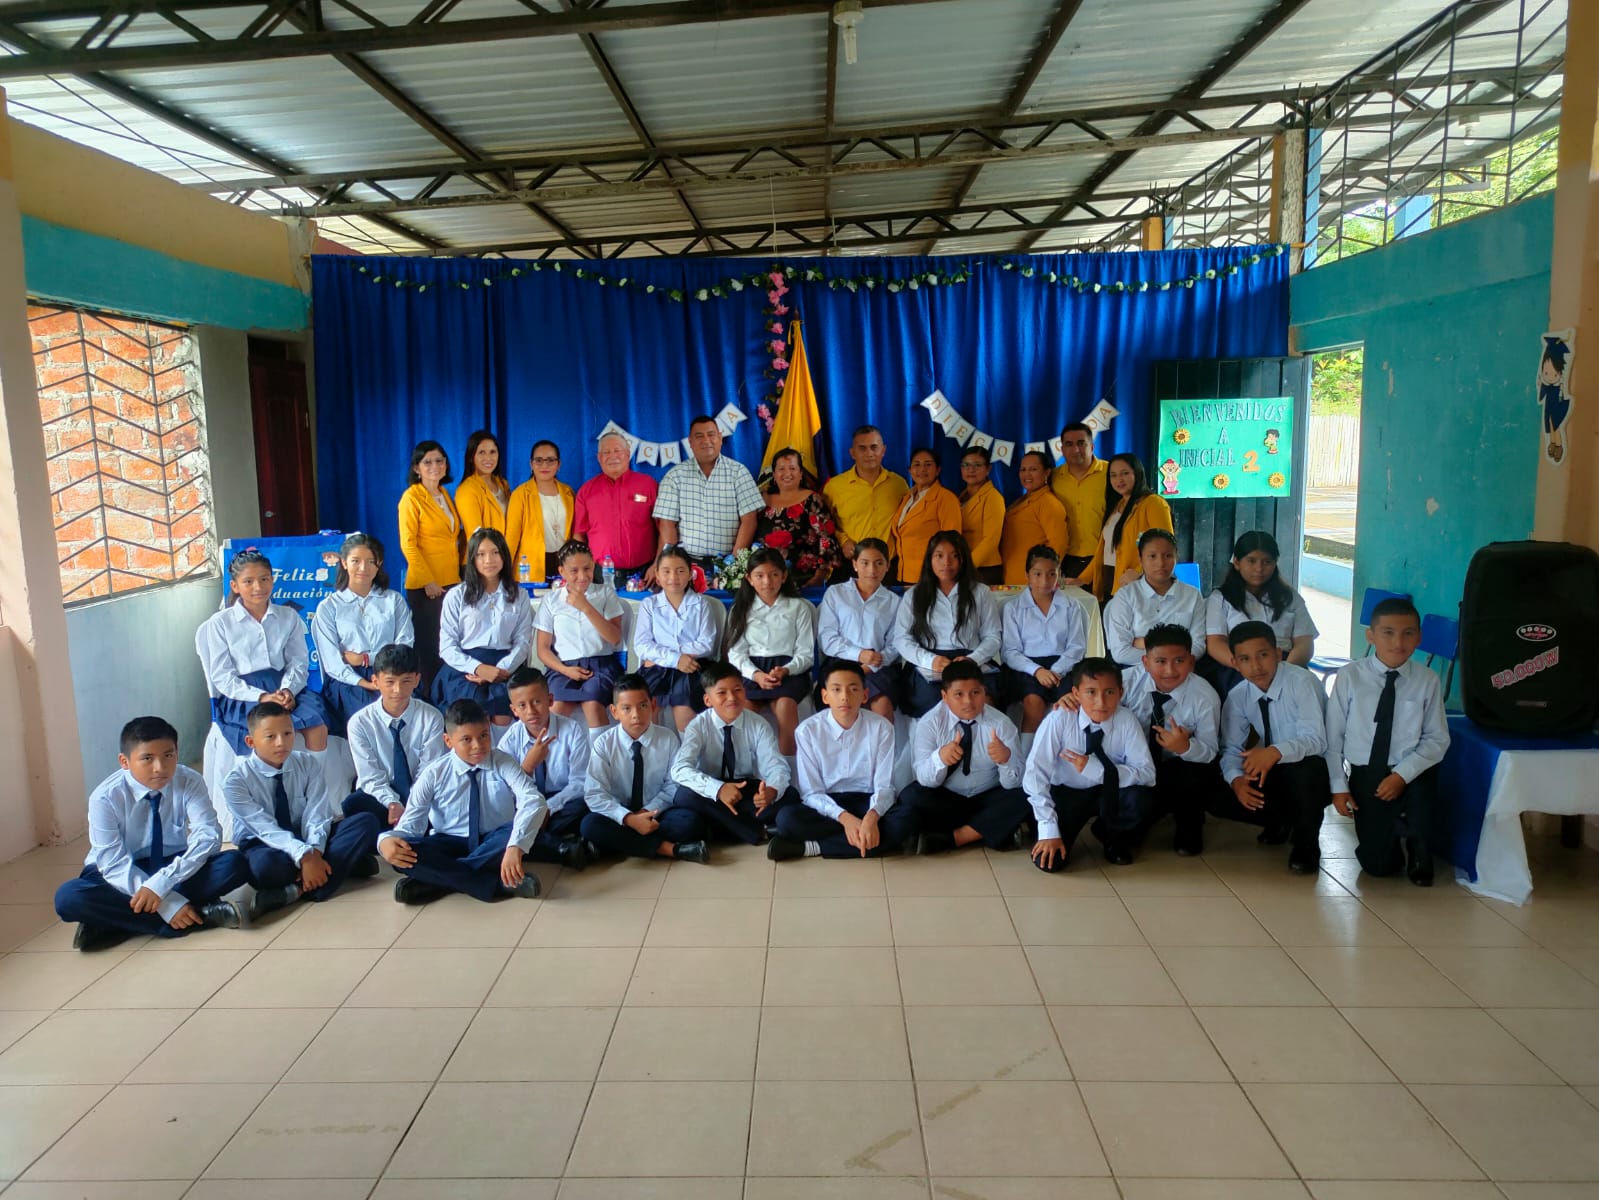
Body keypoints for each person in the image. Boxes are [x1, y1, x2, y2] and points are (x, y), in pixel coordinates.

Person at [54, 716, 249, 950]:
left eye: (168, 755)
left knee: (235, 863)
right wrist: (168, 903)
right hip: (118, 872)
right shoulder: (104, 798)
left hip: (172, 865)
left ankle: (112, 921)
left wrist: (161, 883)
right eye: (147, 758)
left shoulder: (189, 780)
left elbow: (208, 836)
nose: (160, 767)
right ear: (124, 762)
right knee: (69, 898)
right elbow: (113, 864)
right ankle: (199, 916)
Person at [1325, 598, 1449, 886]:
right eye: (1388, 632)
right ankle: (1392, 834)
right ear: (1371, 636)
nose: (1398, 642)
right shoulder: (1350, 676)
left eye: (1408, 633)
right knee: (1378, 866)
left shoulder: (1427, 679)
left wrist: (1401, 776)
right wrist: (1339, 787)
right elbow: (1333, 736)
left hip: (1411, 770)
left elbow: (1437, 738)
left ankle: (1419, 848)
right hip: (1367, 772)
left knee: (1423, 794)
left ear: (1419, 637)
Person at [377, 698, 548, 904]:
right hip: (449, 841)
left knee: (516, 831)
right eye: (467, 739)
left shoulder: (503, 762)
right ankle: (497, 885)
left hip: (492, 841)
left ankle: (435, 881)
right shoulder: (434, 773)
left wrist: (515, 846)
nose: (478, 746)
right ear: (448, 741)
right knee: (402, 852)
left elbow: (533, 800)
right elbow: (410, 825)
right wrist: (385, 841)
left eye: (484, 735)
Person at [221, 701, 382, 919]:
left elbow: (317, 813)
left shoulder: (307, 763)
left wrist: (314, 851)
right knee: (263, 868)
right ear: (251, 742)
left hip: (304, 833)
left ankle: (296, 890)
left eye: (287, 733)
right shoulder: (236, 781)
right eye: (270, 737)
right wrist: (304, 857)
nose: (281, 742)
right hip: (264, 843)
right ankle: (340, 867)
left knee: (366, 822)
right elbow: (264, 828)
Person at [768, 660, 918, 860]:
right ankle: (869, 841)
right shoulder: (807, 731)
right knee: (787, 819)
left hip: (867, 801)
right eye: (836, 690)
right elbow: (811, 792)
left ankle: (811, 847)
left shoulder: (882, 728)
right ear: (825, 696)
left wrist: (871, 818)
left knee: (907, 818)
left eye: (853, 689)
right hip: (828, 803)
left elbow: (884, 786)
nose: (845, 697)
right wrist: (846, 819)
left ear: (864, 695)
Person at [1218, 620, 1331, 875]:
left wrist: (1274, 752)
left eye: (1263, 655)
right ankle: (1279, 820)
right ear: (1234, 663)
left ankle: (1306, 844)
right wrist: (1237, 781)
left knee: (1306, 771)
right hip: (1272, 769)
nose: (1256, 666)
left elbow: (1317, 740)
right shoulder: (1238, 695)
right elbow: (1231, 748)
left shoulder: (1302, 682)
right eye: (1245, 659)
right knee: (1218, 788)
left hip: (1310, 768)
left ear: (1278, 654)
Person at [196, 549, 330, 761]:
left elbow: (298, 662)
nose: (258, 587)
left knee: (316, 727)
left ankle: (313, 781)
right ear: (235, 586)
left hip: (284, 688)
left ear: (272, 580)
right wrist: (261, 698)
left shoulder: (288, 616)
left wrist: (288, 690)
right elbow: (222, 676)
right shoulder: (220, 623)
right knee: (268, 730)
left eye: (264, 579)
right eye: (248, 582)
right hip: (243, 695)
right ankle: (269, 780)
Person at [1023, 657, 1155, 871]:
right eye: (1091, 692)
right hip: (1067, 792)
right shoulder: (1059, 719)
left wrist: (1099, 771)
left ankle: (1111, 836)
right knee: (1050, 863)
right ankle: (1052, 831)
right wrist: (1049, 828)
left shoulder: (1127, 720)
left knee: (1140, 799)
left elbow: (1147, 773)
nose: (1101, 702)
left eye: (1109, 692)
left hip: (1108, 791)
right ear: (1076, 693)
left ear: (1120, 693)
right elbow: (1035, 773)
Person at [902, 659, 1032, 855]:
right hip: (949, 798)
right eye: (959, 694)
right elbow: (924, 779)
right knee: (911, 796)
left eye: (975, 693)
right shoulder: (930, 723)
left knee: (1027, 793)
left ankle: (956, 837)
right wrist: (940, 759)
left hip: (988, 795)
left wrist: (1006, 759)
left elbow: (1012, 783)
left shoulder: (1001, 723)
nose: (968, 702)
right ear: (945, 696)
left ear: (984, 692)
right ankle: (987, 829)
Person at [580, 674, 709, 863]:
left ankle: (618, 844)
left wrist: (645, 812)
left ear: (653, 705)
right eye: (626, 708)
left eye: (642, 706)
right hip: (619, 813)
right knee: (589, 824)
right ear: (614, 712)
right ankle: (671, 849)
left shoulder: (668, 738)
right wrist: (628, 818)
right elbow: (595, 793)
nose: (636, 715)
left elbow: (673, 785)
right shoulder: (604, 744)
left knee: (690, 822)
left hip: (655, 812)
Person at [1119, 624, 1223, 856]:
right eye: (1160, 661)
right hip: (1135, 763)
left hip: (1178, 767)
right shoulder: (1123, 682)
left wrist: (1185, 747)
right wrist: (1071, 699)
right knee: (1133, 820)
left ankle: (1189, 825)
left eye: (1179, 661)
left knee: (1194, 773)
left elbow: (1210, 751)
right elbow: (1091, 698)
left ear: (1191, 662)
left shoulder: (1205, 697)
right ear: (1145, 662)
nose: (1170, 670)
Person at [671, 661, 800, 845]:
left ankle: (721, 829)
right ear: (708, 700)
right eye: (722, 693)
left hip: (746, 789)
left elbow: (776, 766)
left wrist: (771, 791)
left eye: (737, 690)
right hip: (713, 791)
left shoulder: (758, 724)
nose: (732, 698)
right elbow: (679, 769)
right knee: (684, 795)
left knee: (790, 794)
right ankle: (756, 830)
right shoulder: (698, 726)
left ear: (744, 692)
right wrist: (718, 789)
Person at [311, 532, 415, 737]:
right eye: (355, 561)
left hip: (393, 673)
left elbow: (405, 646)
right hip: (349, 680)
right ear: (344, 563)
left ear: (379, 564)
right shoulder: (329, 607)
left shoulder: (394, 600)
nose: (363, 568)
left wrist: (366, 659)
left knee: (409, 718)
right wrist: (367, 684)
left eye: (370, 562)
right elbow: (333, 664)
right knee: (369, 722)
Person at [893, 530, 1002, 717]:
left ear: (963, 559)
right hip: (929, 663)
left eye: (954, 556)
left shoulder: (981, 593)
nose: (947, 563)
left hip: (970, 660)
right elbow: (902, 639)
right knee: (932, 702)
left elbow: (993, 637)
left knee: (979, 700)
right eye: (939, 556)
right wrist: (931, 661)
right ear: (930, 559)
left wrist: (973, 659)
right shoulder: (914, 595)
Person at [433, 528, 533, 727]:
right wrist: (478, 669)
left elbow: (523, 641)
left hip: (505, 666)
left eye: (495, 552)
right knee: (473, 714)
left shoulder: (519, 595)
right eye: (481, 554)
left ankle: (503, 749)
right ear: (472, 558)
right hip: (465, 668)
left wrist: (501, 670)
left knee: (503, 712)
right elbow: (447, 646)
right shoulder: (457, 595)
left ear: (504, 556)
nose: (489, 560)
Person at [502, 667, 595, 870]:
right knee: (502, 820)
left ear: (550, 700)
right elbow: (504, 792)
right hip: (525, 801)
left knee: (586, 807)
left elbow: (579, 783)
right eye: (522, 705)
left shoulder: (572, 730)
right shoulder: (509, 741)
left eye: (537, 701)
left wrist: (548, 808)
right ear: (514, 710)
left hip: (561, 801)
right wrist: (527, 766)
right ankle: (562, 847)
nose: (531, 711)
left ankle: (533, 842)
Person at [343, 642, 445, 829]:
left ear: (417, 680)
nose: (397, 690)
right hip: (381, 795)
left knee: (445, 802)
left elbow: (428, 771)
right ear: (376, 681)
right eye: (390, 682)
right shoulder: (360, 723)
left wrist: (413, 805)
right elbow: (370, 776)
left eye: (406, 681)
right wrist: (392, 803)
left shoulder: (432, 717)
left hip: (420, 793)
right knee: (355, 806)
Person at [725, 546, 815, 756]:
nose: (767, 582)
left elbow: (806, 653)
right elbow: (736, 653)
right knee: (745, 710)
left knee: (785, 706)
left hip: (788, 670)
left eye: (774, 575)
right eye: (760, 576)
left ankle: (788, 768)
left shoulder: (798, 607)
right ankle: (748, 768)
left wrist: (786, 670)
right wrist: (756, 675)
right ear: (749, 578)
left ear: (784, 576)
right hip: (751, 670)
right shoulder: (741, 609)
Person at [535, 539, 626, 728]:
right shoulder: (551, 600)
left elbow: (615, 638)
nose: (582, 576)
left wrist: (586, 607)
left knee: (593, 703)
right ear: (562, 571)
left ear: (593, 566)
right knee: (556, 709)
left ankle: (600, 748)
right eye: (574, 571)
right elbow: (543, 649)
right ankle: (550, 748)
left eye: (587, 569)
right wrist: (565, 670)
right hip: (562, 667)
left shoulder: (605, 593)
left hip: (600, 665)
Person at [397, 439, 463, 693]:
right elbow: (408, 544)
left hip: (450, 581)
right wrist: (428, 580)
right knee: (431, 649)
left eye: (439, 461)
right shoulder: (411, 498)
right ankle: (430, 699)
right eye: (428, 462)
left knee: (449, 644)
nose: (435, 466)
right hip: (427, 587)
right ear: (417, 468)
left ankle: (448, 696)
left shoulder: (444, 494)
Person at [653, 414, 764, 564]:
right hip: (686, 563)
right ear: (690, 442)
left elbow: (749, 521)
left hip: (728, 561)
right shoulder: (674, 476)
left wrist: (734, 564)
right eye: (699, 436)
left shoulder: (739, 472)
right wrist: (669, 562)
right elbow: (667, 524)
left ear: (720, 438)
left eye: (711, 434)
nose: (706, 440)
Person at [1001, 545, 1087, 733]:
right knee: (1034, 703)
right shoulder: (1013, 608)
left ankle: (1064, 748)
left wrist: (1055, 671)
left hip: (1063, 667)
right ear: (1027, 575)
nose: (1044, 581)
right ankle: (1027, 750)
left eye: (1051, 574)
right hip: (1027, 667)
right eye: (1037, 574)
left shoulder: (1072, 606)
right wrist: (1037, 671)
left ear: (1059, 574)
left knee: (1070, 704)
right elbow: (1010, 651)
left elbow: (1076, 647)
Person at [1205, 531, 1318, 671]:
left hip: (1287, 665)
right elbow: (1215, 644)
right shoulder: (1220, 599)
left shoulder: (1290, 597)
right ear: (1237, 562)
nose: (1259, 569)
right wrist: (1246, 666)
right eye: (1251, 561)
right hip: (1239, 667)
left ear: (1275, 563)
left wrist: (1284, 671)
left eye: (1267, 562)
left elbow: (1304, 643)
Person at [635, 543, 719, 730]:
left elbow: (707, 644)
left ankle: (688, 749)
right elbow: (642, 645)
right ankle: (653, 749)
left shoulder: (701, 604)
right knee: (646, 707)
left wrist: (669, 655)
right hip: (658, 668)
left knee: (684, 708)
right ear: (657, 575)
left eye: (680, 571)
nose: (673, 577)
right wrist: (675, 658)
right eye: (666, 571)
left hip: (692, 666)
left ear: (690, 574)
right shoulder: (649, 605)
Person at [817, 537, 902, 719]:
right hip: (840, 662)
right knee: (841, 703)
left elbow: (895, 644)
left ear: (887, 566)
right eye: (865, 563)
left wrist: (872, 663)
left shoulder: (893, 602)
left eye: (879, 563)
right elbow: (827, 638)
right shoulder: (836, 593)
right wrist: (859, 654)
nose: (872, 570)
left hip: (878, 665)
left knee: (882, 706)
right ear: (855, 564)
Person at [1102, 528, 1206, 668]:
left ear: (1176, 557)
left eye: (1168, 556)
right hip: (1136, 671)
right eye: (1152, 556)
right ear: (1140, 559)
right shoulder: (1126, 596)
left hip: (1181, 671)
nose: (1161, 563)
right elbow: (1121, 652)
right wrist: (1171, 655)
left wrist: (1142, 643)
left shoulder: (1192, 595)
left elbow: (1198, 646)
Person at [573, 432, 658, 580]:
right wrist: (586, 569)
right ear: (599, 458)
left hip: (646, 574)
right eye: (606, 452)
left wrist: (658, 564)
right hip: (601, 575)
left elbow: (665, 530)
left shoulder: (649, 485)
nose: (613, 456)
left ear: (628, 454)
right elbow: (579, 535)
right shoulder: (586, 491)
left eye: (617, 450)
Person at [1087, 452, 1173, 599]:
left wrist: (1140, 572)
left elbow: (1166, 546)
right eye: (1113, 475)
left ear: (1137, 473)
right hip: (1109, 581)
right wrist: (1082, 578)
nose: (1119, 480)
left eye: (1125, 473)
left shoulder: (1153, 503)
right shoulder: (1117, 505)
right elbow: (1104, 552)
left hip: (1136, 584)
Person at [823, 424, 909, 565]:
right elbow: (824, 523)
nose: (869, 453)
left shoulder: (899, 485)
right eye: (862, 448)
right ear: (852, 453)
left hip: (891, 564)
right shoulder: (834, 487)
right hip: (852, 563)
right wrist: (843, 540)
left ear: (883, 450)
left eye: (874, 447)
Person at [757, 446, 841, 587]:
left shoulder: (812, 499)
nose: (787, 473)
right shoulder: (761, 499)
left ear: (801, 473)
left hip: (804, 579)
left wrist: (821, 574)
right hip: (764, 580)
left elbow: (827, 538)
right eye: (781, 469)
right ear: (774, 474)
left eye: (792, 468)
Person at [890, 446, 962, 585]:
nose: (922, 469)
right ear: (910, 470)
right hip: (904, 574)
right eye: (916, 465)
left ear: (938, 470)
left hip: (932, 577)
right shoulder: (907, 498)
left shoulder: (946, 498)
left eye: (928, 465)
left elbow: (953, 542)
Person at [505, 439, 574, 583]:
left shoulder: (568, 493)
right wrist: (503, 573)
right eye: (539, 460)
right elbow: (511, 537)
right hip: (531, 567)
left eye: (550, 460)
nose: (544, 465)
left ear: (559, 464)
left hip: (564, 563)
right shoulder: (520, 494)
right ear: (531, 464)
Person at [1049, 422, 1108, 581]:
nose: (1075, 450)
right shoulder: (1053, 477)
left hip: (1104, 558)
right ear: (1062, 450)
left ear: (1092, 447)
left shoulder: (1110, 473)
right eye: (1069, 444)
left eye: (1081, 443)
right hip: (1065, 560)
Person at [1000, 450, 1068, 585]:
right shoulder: (1022, 500)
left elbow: (1059, 544)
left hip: (1032, 582)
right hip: (1012, 576)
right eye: (1023, 470)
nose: (1027, 474)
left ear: (1047, 472)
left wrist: (1041, 577)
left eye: (1033, 469)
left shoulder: (1048, 503)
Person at [958, 445, 1005, 585]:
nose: (971, 470)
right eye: (966, 465)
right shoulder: (961, 497)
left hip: (983, 569)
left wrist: (966, 567)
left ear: (988, 468)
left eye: (977, 465)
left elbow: (991, 540)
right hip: (963, 565)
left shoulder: (993, 497)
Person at [454, 429, 511, 541]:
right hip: (484, 551)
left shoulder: (503, 484)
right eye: (481, 452)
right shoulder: (466, 490)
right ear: (471, 457)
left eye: (492, 452)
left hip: (506, 549)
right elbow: (475, 536)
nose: (488, 458)